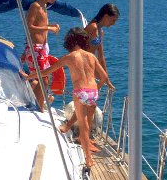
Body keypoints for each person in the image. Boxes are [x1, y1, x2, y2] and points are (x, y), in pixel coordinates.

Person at [25, 27, 113, 171]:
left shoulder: (70, 57)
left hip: (80, 92)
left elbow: (47, 71)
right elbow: (104, 76)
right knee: (87, 125)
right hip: (93, 91)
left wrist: (29, 76)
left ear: (70, 41)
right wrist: (97, 87)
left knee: (83, 127)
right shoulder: (91, 56)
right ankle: (80, 142)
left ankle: (88, 158)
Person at [56, 3, 120, 134]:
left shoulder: (100, 31)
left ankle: (77, 131)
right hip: (84, 69)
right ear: (106, 16)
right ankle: (81, 134)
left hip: (91, 67)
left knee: (88, 104)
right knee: (88, 104)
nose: (113, 24)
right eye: (113, 20)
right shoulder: (92, 28)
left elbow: (100, 56)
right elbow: (80, 47)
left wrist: (105, 77)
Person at [21, 0, 61, 111]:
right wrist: (49, 28)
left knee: (44, 78)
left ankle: (39, 104)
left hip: (42, 48)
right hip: (35, 48)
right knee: (43, 78)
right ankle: (39, 107)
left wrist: (50, 25)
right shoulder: (35, 6)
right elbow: (29, 26)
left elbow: (40, 24)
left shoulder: (44, 7)